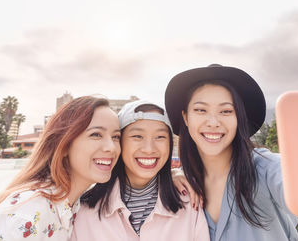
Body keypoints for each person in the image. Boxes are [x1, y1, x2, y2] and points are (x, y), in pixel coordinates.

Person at [165, 64, 298, 241]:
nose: (213, 121)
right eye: (201, 110)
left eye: (226, 111)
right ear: (185, 117)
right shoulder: (183, 184)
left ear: (239, 118)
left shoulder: (266, 168)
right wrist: (167, 177)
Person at [71, 100, 209, 241]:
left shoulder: (191, 203)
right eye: (137, 136)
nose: (149, 149)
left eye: (160, 137)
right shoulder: (82, 211)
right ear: (119, 142)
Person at [0, 96, 121, 240]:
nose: (111, 147)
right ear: (63, 146)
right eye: (96, 135)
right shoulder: (29, 211)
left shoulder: (73, 207)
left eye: (116, 137)